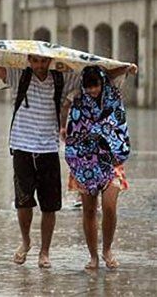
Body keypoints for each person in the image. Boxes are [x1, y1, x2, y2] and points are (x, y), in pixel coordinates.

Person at [0, 43, 135, 268]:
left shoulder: (61, 79)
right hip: (21, 147)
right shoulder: (17, 76)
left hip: (49, 149)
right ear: (29, 60)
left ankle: (45, 252)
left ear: (49, 61)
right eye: (35, 60)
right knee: (23, 202)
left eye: (43, 61)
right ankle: (26, 242)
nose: (40, 65)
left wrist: (124, 68)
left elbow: (96, 76)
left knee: (49, 206)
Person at [63, 66, 132, 270]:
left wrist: (127, 68)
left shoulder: (113, 97)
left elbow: (117, 123)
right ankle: (93, 255)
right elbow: (74, 127)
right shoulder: (77, 101)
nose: (92, 90)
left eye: (96, 85)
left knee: (110, 206)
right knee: (89, 210)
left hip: (111, 159)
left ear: (102, 82)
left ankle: (107, 249)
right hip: (84, 161)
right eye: (88, 86)